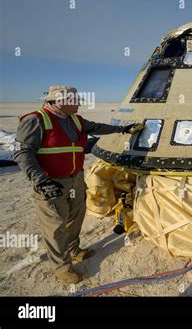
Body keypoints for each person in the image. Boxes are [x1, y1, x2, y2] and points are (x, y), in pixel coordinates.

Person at [13, 86, 143, 285]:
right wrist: (41, 180)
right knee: (55, 227)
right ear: (60, 102)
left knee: (75, 218)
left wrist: (123, 129)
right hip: (50, 184)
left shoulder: (75, 120)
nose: (79, 103)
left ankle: (74, 250)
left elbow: (98, 127)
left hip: (75, 180)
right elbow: (23, 153)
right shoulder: (36, 120)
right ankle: (62, 268)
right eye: (75, 100)